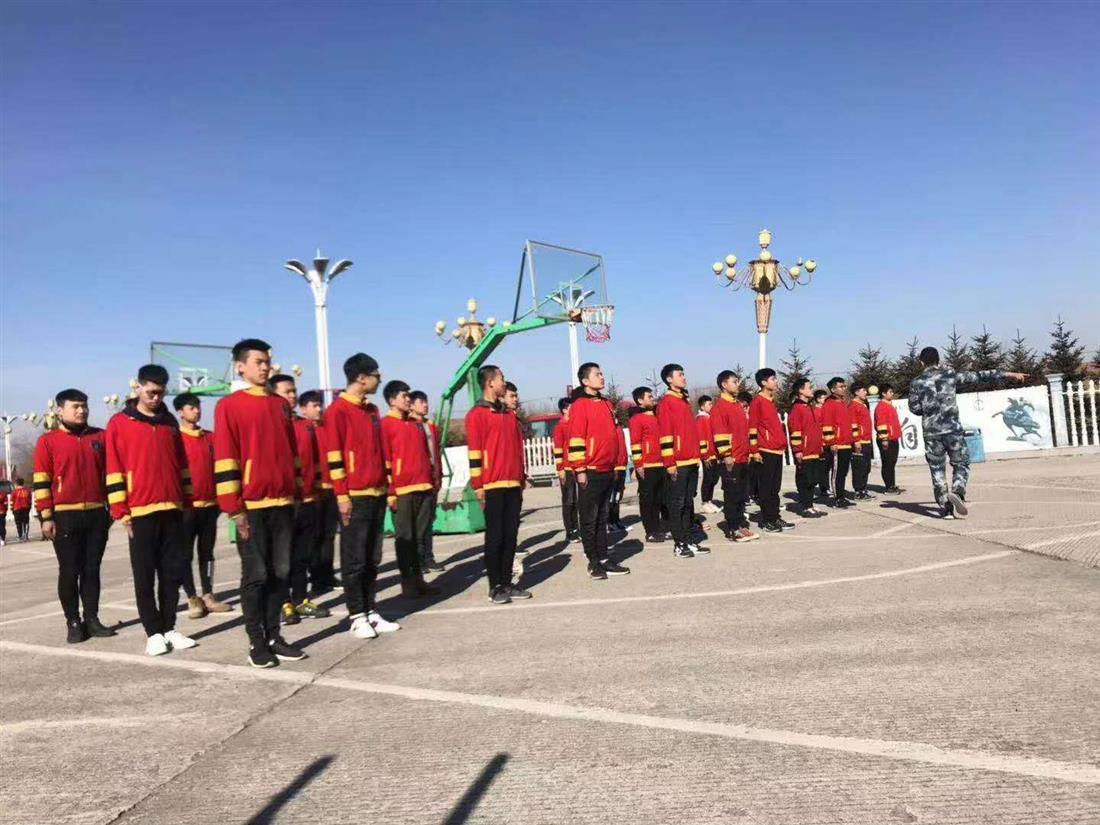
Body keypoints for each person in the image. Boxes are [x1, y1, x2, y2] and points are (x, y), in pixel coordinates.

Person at [214, 341, 306, 668]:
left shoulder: (279, 405)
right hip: (251, 506)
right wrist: (234, 507)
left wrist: (297, 492)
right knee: (256, 575)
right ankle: (256, 642)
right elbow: (225, 457)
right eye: (258, 362)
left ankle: (274, 635)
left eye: (267, 361)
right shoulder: (229, 406)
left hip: (283, 502)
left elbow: (292, 453)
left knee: (281, 573)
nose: (265, 367)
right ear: (240, 366)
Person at [107, 364, 197, 657]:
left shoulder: (169, 422)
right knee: (144, 575)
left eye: (160, 392)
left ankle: (170, 627)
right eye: (151, 392)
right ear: (138, 387)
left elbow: (182, 465)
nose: (156, 398)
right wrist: (121, 511)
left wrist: (187, 501)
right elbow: (113, 469)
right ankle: (153, 632)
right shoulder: (119, 423)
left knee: (171, 574)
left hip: (173, 508)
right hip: (140, 512)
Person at [324, 352, 402, 636]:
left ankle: (371, 610)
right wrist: (342, 496)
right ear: (361, 377)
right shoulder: (337, 411)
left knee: (372, 558)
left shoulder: (372, 411)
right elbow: (334, 456)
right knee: (354, 559)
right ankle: (356, 615)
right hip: (354, 495)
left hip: (376, 492)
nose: (380, 380)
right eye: (376, 375)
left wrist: (388, 487)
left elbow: (380, 452)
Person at [33, 388, 115, 643]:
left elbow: (110, 475)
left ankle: (92, 619)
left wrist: (113, 507)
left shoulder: (100, 437)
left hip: (96, 514)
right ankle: (73, 621)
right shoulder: (48, 441)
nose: (82, 411)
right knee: (70, 571)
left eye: (84, 406)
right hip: (64, 516)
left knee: (92, 570)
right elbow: (41, 480)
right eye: (76, 407)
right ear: (60, 410)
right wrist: (46, 516)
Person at [908, 347, 1026, 518]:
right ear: (938, 360)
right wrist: (1009, 374)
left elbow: (914, 408)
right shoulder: (950, 375)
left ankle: (946, 509)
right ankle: (958, 491)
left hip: (931, 432)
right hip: (953, 430)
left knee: (937, 469)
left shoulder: (916, 382)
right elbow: (978, 376)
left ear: (921, 362)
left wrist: (928, 409)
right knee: (961, 463)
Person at [269, 375, 332, 624]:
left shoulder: (305, 426)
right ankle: (283, 603)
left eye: (294, 391)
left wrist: (317, 490)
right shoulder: (270, 425)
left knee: (302, 555)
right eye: (287, 391)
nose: (293, 396)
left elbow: (315, 461)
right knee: (281, 557)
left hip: (308, 499)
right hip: (283, 502)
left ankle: (301, 599)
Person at [466, 364, 530, 602]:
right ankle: (495, 587)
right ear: (490, 383)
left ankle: (507, 582)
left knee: (511, 536)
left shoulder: (509, 415)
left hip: (513, 484)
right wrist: (478, 485)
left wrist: (521, 477)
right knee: (495, 538)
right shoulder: (476, 415)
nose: (504, 382)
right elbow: (474, 454)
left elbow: (517, 450)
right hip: (492, 485)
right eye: (501, 378)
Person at [567, 363, 632, 578]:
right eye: (597, 374)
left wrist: (616, 464)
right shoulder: (579, 406)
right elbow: (576, 438)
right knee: (589, 518)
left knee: (602, 517)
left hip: (608, 469)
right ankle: (593, 562)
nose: (602, 377)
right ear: (585, 381)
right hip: (590, 470)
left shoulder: (606, 403)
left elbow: (613, 435)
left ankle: (604, 558)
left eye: (602, 373)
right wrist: (580, 469)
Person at [381, 380, 442, 600]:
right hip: (403, 491)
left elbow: (427, 454)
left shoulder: (416, 424)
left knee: (419, 537)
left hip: (424, 487)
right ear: (392, 400)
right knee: (405, 539)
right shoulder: (386, 425)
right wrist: (391, 492)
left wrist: (432, 480)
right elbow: (385, 460)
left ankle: (419, 580)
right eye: (404, 396)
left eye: (409, 395)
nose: (408, 399)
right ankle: (408, 582)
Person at [174, 393, 231, 619]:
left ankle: (208, 594)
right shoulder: (176, 439)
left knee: (207, 553)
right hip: (187, 508)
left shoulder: (211, 438)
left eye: (198, 407)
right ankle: (192, 597)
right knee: (184, 555)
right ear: (180, 412)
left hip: (210, 506)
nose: (197, 411)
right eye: (191, 408)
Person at [657, 363, 708, 558]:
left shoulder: (683, 401)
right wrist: (669, 462)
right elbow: (666, 434)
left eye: (684, 374)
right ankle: (679, 543)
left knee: (688, 503)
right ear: (669, 379)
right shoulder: (667, 403)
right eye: (680, 375)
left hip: (691, 460)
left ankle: (688, 540)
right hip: (678, 463)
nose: (684, 377)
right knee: (677, 504)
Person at [710, 371, 758, 543]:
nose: (738, 384)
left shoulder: (737, 405)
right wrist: (726, 455)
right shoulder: (720, 407)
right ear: (724, 385)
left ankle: (741, 524)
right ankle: (733, 528)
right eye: (734, 381)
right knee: (732, 495)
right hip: (731, 459)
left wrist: (749, 451)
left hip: (743, 457)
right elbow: (720, 433)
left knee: (741, 495)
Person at [302, 391, 340, 595]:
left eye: (320, 405)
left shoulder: (327, 428)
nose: (319, 409)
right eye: (314, 406)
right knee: (314, 537)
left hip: (331, 489)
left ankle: (327, 574)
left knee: (328, 535)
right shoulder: (302, 430)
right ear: (303, 409)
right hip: (313, 492)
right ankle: (316, 577)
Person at [748, 368, 793, 533]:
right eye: (773, 379)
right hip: (765, 451)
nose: (776, 381)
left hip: (777, 450)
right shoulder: (757, 402)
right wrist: (755, 450)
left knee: (775, 488)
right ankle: (767, 520)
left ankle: (775, 517)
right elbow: (752, 427)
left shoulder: (771, 401)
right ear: (763, 382)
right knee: (766, 488)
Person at [409, 390, 445, 572]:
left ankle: (429, 557)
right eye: (421, 402)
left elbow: (436, 453)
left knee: (429, 520)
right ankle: (418, 559)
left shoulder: (431, 426)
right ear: (411, 405)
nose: (425, 405)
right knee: (418, 523)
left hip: (432, 479)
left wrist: (439, 475)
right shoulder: (408, 425)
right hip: (416, 481)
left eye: (426, 401)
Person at [628, 387, 668, 543]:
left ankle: (660, 528)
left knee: (660, 499)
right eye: (649, 396)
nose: (653, 398)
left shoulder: (658, 417)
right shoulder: (636, 419)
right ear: (640, 400)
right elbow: (635, 443)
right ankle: (650, 531)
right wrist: (638, 464)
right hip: (647, 465)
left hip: (661, 464)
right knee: (648, 500)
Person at [786, 378, 826, 518]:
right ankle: (805, 507)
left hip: (814, 451)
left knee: (813, 480)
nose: (811, 390)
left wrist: (820, 444)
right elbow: (795, 430)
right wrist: (797, 450)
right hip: (804, 451)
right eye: (809, 387)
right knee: (805, 480)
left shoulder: (809, 407)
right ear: (801, 391)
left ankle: (810, 505)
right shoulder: (797, 409)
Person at [820, 377, 856, 508]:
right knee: (837, 473)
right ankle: (837, 498)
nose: (844, 388)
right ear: (833, 389)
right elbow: (827, 425)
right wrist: (831, 442)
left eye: (844, 386)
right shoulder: (829, 404)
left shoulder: (842, 403)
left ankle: (842, 496)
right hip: (837, 444)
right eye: (841, 386)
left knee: (843, 472)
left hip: (846, 443)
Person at [553, 397, 581, 542]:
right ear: (564, 410)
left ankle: (576, 528)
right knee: (568, 501)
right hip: (566, 468)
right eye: (571, 407)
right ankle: (570, 531)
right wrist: (560, 469)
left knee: (577, 501)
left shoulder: (576, 424)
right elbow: (558, 449)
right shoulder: (560, 427)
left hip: (577, 467)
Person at [874, 384, 904, 494]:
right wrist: (884, 439)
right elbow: (881, 424)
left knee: (892, 463)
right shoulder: (881, 406)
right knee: (887, 463)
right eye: (890, 392)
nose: (892, 393)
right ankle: (889, 487)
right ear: (883, 393)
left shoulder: (889, 405)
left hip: (893, 437)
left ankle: (892, 484)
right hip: (887, 439)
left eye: (892, 391)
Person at [849, 383, 876, 500]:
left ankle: (863, 489)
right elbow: (853, 424)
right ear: (856, 392)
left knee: (866, 467)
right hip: (859, 442)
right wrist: (856, 440)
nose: (866, 393)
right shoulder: (853, 406)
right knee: (859, 468)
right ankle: (858, 491)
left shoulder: (863, 405)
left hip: (867, 440)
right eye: (863, 390)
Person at [696, 396, 720, 515]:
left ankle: (709, 500)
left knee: (714, 478)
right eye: (709, 404)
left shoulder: (710, 417)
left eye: (711, 404)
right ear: (702, 406)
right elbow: (701, 437)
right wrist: (704, 455)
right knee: (708, 478)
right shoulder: (701, 419)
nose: (711, 406)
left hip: (714, 453)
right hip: (707, 455)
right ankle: (704, 502)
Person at [812, 389, 832, 501]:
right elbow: (817, 428)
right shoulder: (816, 411)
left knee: (828, 466)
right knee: (823, 468)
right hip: (821, 443)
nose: (825, 400)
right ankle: (824, 489)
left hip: (829, 442)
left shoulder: (826, 410)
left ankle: (827, 487)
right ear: (818, 399)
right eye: (823, 398)